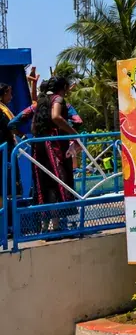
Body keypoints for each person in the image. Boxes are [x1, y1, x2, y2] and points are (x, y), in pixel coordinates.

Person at [30, 77, 79, 232]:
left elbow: (27, 126)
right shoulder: (58, 99)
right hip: (55, 147)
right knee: (60, 183)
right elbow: (56, 117)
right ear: (63, 87)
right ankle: (58, 226)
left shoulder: (40, 102)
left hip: (38, 148)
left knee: (44, 185)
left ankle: (45, 227)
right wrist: (74, 134)